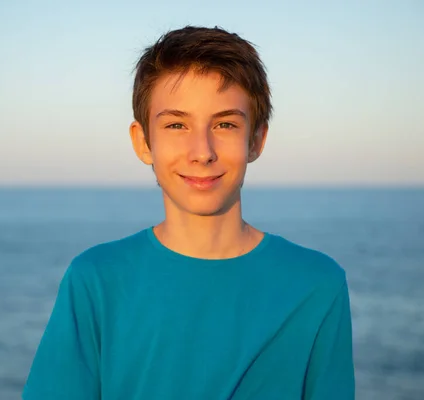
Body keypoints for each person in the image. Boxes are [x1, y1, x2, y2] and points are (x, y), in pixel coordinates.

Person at [22, 25, 355, 400]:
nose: (202, 151)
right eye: (177, 125)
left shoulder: (317, 285)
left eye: (225, 124)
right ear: (143, 142)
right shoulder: (96, 279)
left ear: (257, 139)